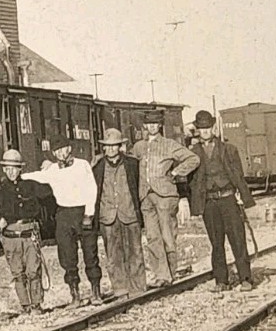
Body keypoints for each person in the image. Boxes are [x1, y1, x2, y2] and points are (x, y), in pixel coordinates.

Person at [23, 135, 101, 307]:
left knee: (90, 253)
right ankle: (75, 296)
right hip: (64, 214)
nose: (60, 153)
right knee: (67, 256)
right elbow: (37, 176)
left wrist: (89, 214)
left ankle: (96, 293)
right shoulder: (53, 170)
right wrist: (19, 176)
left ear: (69, 149)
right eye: (56, 151)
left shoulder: (82, 165)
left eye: (63, 149)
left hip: (83, 212)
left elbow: (91, 189)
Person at [189, 110, 256, 292]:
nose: (205, 131)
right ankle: (221, 281)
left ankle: (245, 278)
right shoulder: (193, 154)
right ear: (197, 130)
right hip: (209, 203)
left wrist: (242, 197)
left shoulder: (229, 149)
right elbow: (191, 182)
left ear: (214, 128)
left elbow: (238, 176)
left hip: (228, 199)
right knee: (216, 243)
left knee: (237, 239)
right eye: (201, 128)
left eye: (208, 127)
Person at [132, 111, 201, 287]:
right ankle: (161, 275)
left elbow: (193, 159)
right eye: (149, 124)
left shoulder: (169, 145)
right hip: (145, 197)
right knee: (153, 237)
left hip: (165, 196)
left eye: (155, 123)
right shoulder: (138, 147)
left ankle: (170, 271)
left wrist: (176, 172)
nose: (152, 127)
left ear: (160, 125)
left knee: (167, 234)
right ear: (145, 126)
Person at [0, 150, 52, 314]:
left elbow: (49, 193)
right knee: (18, 273)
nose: (11, 172)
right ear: (4, 170)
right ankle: (25, 306)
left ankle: (36, 304)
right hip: (11, 237)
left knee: (34, 271)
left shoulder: (31, 185)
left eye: (15, 168)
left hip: (29, 235)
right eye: (8, 168)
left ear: (20, 169)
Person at [92, 129, 147, 299]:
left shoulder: (132, 163)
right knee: (113, 254)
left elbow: (140, 185)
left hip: (129, 213)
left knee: (135, 251)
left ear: (120, 146)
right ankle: (120, 287)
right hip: (107, 216)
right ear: (104, 148)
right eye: (107, 147)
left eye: (114, 146)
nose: (111, 150)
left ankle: (137, 287)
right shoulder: (97, 167)